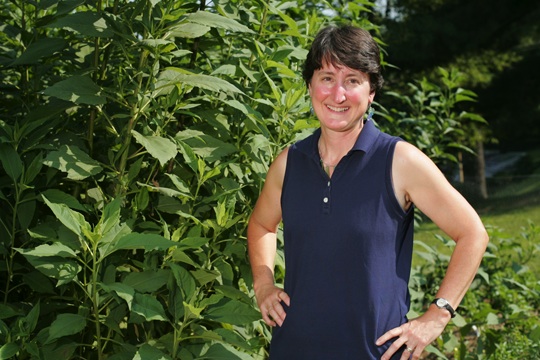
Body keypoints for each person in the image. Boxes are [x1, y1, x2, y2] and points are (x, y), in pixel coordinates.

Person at [247, 24, 489, 360]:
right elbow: (261, 226)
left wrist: (438, 314)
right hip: (292, 349)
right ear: (310, 85)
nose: (338, 95)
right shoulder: (290, 162)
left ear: (371, 91)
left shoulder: (399, 161)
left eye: (353, 81)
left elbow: (472, 233)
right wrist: (263, 282)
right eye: (327, 78)